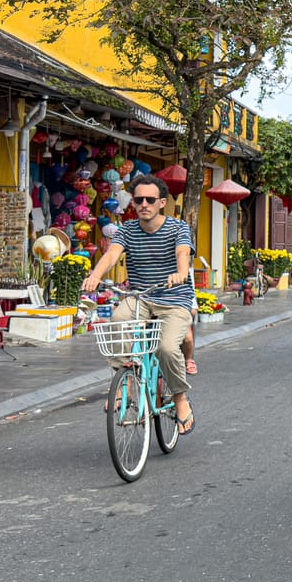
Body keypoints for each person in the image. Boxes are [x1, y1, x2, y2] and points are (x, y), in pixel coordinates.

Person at [79, 174, 196, 435]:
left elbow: (183, 253)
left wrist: (179, 273)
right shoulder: (128, 230)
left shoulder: (178, 228)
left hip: (173, 299)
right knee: (118, 321)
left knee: (166, 348)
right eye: (138, 199)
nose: (143, 204)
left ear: (161, 203)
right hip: (140, 297)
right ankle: (124, 380)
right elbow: (111, 254)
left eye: (150, 200)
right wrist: (95, 276)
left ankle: (179, 398)